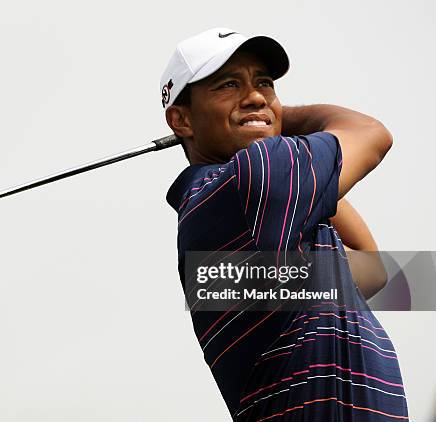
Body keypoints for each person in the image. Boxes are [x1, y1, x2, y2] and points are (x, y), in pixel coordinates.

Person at [161, 28, 408, 420]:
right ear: (182, 120)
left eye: (265, 84)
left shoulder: (242, 209)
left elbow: (373, 270)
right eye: (228, 85)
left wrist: (261, 119)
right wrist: (278, 118)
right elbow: (372, 133)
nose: (257, 95)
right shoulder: (252, 178)